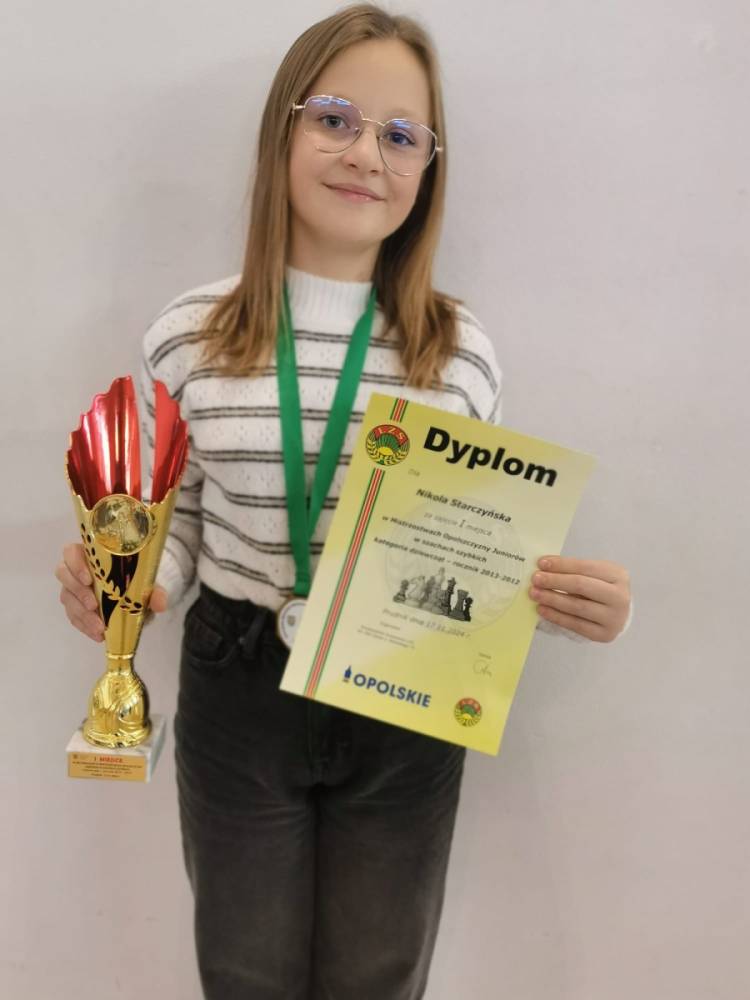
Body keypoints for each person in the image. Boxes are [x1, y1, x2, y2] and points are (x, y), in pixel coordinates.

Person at [56, 5, 632, 998]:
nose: (367, 153)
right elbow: (172, 516)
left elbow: (479, 546)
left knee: (380, 973)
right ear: (282, 130)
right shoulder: (188, 335)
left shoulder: (458, 353)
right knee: (244, 970)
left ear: (428, 169)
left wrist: (568, 599)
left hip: (403, 693)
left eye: (401, 135)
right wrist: (136, 585)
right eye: (335, 119)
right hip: (238, 683)